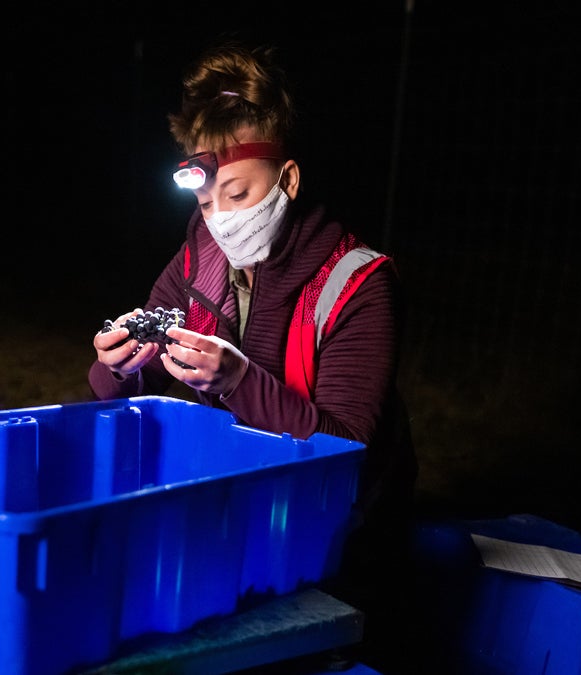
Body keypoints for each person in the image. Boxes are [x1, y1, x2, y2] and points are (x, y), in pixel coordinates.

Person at [88, 39, 416, 670]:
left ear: (287, 179)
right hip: (235, 520)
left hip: (339, 543)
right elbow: (128, 393)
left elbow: (348, 449)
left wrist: (237, 378)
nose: (220, 221)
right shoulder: (198, 261)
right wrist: (117, 364)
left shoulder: (360, 283)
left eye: (238, 195)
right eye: (206, 202)